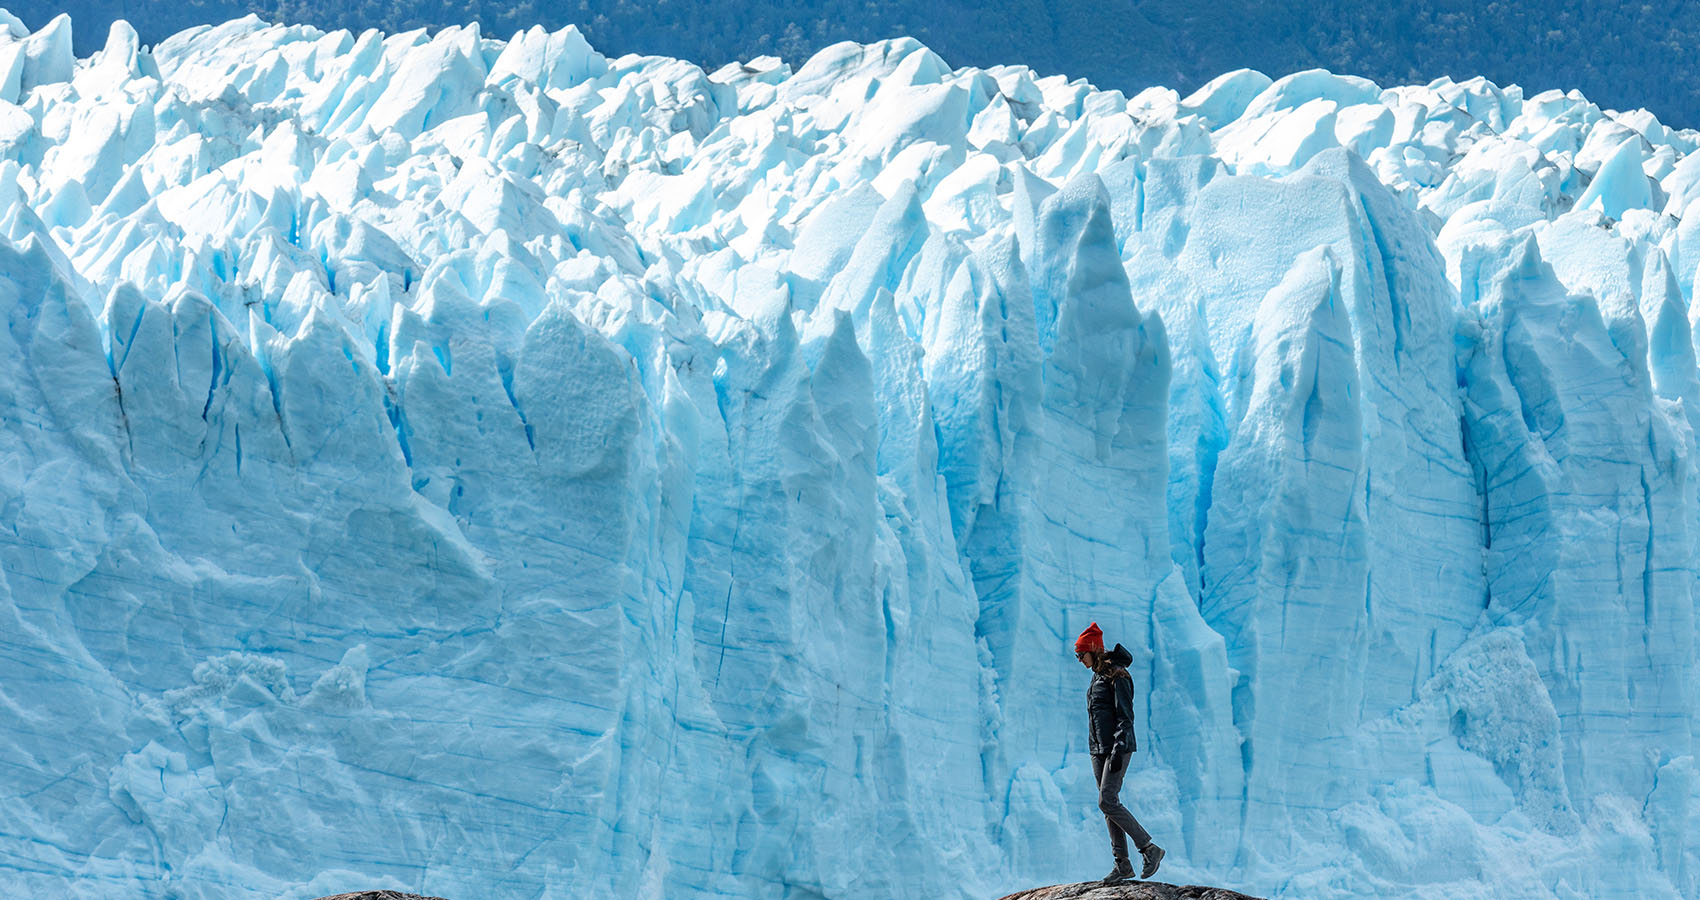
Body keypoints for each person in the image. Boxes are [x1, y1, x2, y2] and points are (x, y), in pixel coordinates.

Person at [1075, 622, 1163, 884]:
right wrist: (1098, 748)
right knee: (1108, 806)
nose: (1079, 659)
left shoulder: (1118, 674)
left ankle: (1149, 848)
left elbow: (1125, 716)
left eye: (1081, 654)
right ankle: (1122, 864)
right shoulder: (1098, 676)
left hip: (1117, 747)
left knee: (1107, 801)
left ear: (1093, 650)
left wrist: (1118, 748)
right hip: (1098, 749)